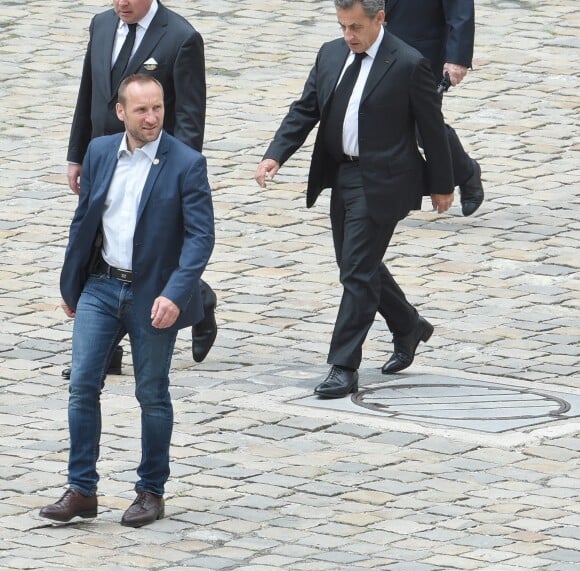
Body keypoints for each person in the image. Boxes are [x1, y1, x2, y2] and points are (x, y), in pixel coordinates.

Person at [255, 0, 454, 399]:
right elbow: (306, 108)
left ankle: (344, 365)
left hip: (384, 180)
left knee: (357, 273)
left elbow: (433, 129)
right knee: (355, 264)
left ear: (380, 19)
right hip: (341, 173)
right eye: (343, 26)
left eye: (356, 27)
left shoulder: (408, 63)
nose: (348, 36)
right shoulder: (331, 54)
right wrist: (275, 154)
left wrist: (443, 184)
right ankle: (408, 325)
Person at [40, 74, 214, 527]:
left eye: (157, 108)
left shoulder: (186, 163)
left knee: (151, 393)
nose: (152, 117)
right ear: (122, 113)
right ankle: (81, 490)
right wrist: (70, 284)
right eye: (141, 110)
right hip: (100, 285)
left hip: (152, 292)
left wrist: (175, 294)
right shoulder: (100, 153)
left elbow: (200, 239)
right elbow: (85, 221)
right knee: (82, 386)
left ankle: (151, 491)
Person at [61, 0, 216, 380]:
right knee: (104, 243)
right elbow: (90, 93)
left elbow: (190, 118)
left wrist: (178, 178)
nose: (121, 3)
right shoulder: (101, 24)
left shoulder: (180, 37)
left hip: (155, 168)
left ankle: (198, 296)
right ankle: (105, 349)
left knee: (146, 244)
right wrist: (77, 154)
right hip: (105, 161)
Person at [385, 0, 484, 217]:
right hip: (374, 45)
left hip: (422, 51)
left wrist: (457, 58)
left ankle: (465, 170)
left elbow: (460, 9)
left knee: (423, 125)